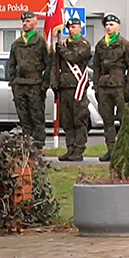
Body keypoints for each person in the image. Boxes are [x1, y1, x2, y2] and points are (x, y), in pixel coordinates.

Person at [92, 13, 129, 162]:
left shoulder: (125, 44)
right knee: (107, 120)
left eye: (111, 24)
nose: (108, 27)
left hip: (119, 85)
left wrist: (128, 89)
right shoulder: (100, 44)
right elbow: (96, 66)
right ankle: (111, 150)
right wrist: (96, 86)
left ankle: (125, 151)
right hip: (104, 86)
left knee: (123, 120)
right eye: (106, 25)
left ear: (118, 26)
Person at [8, 10, 52, 149]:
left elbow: (49, 63)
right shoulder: (17, 44)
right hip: (20, 84)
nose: (25, 24)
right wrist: (13, 82)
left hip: (35, 84)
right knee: (23, 115)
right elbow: (12, 65)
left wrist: (45, 83)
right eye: (23, 21)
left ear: (35, 22)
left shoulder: (41, 42)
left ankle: (38, 144)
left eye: (28, 21)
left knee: (37, 115)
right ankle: (27, 143)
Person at [50, 17, 92, 162]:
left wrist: (61, 49)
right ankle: (70, 148)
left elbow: (74, 57)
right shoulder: (63, 44)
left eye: (74, 27)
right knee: (66, 120)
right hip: (64, 87)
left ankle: (79, 149)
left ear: (80, 28)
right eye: (70, 27)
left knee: (79, 119)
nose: (71, 29)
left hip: (77, 86)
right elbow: (55, 65)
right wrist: (54, 82)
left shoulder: (84, 44)